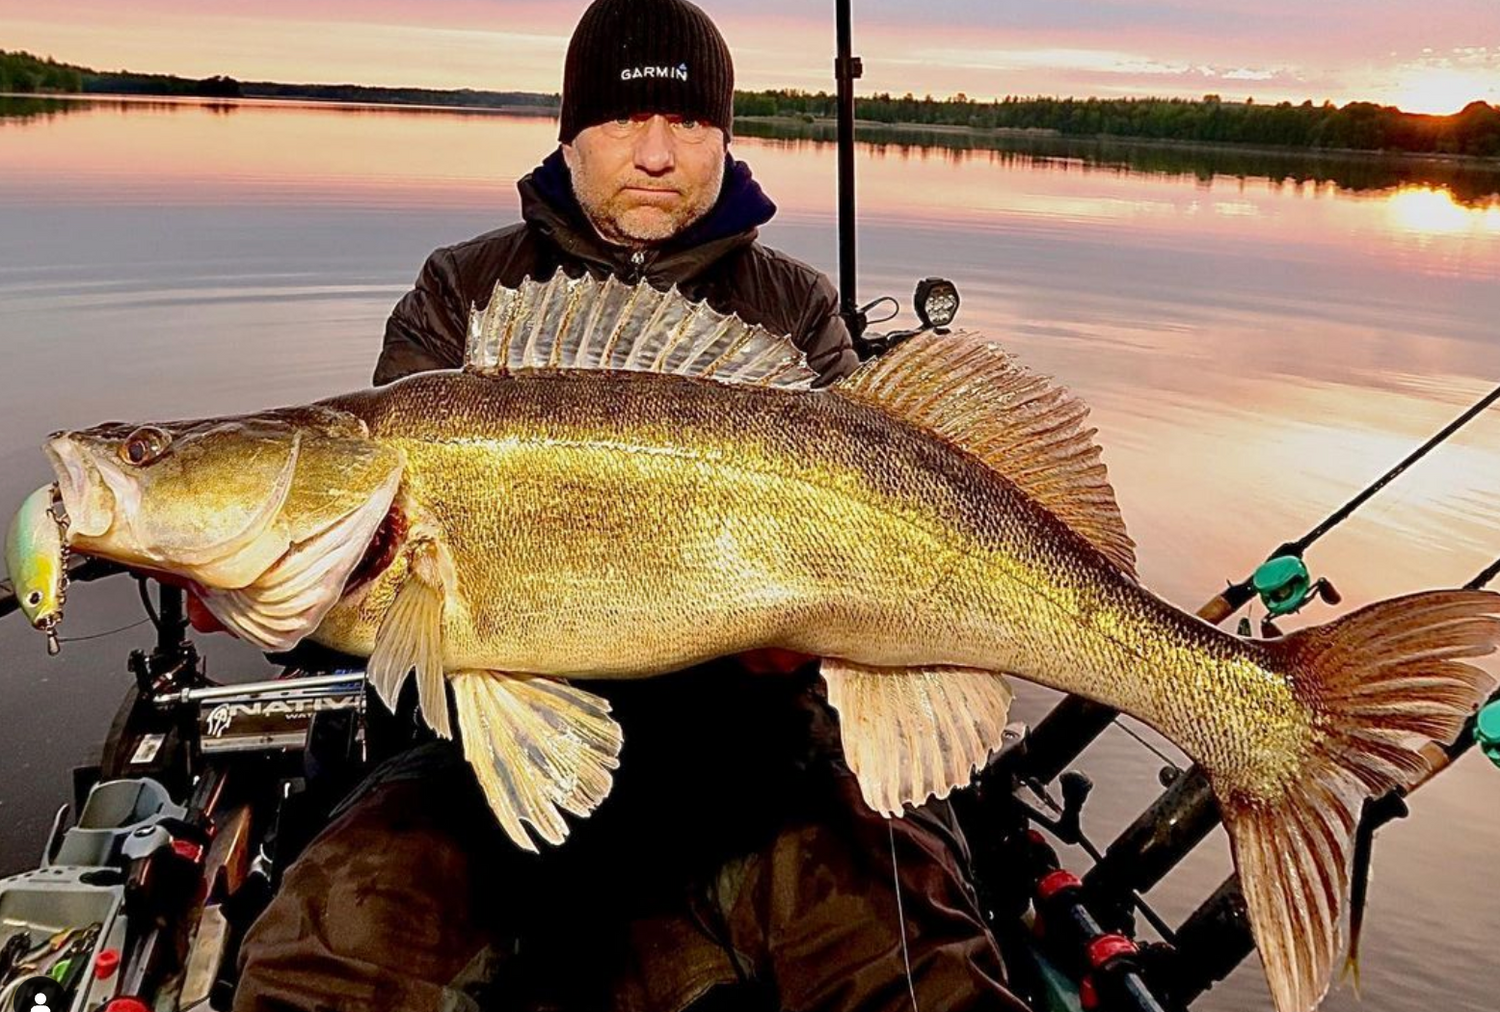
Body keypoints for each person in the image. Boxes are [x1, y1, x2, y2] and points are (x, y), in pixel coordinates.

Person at [234, 2, 1027, 1010]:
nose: (656, 154)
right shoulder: (463, 293)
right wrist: (263, 580)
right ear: (570, 133)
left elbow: (876, 538)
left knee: (918, 971)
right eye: (621, 119)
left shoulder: (795, 306)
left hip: (758, 755)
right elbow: (379, 562)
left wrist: (810, 641)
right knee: (316, 963)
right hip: (477, 759)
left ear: (725, 137)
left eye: (688, 123)